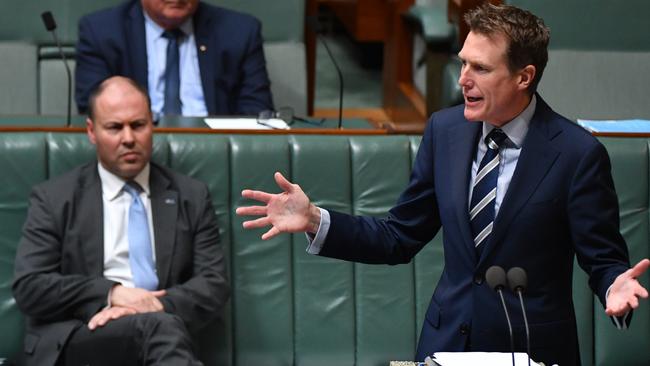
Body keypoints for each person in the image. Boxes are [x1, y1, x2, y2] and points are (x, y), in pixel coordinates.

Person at [236, 4, 649, 366]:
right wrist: (314, 220)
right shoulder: (445, 131)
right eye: (463, 63)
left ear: (524, 77)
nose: (462, 79)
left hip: (533, 348)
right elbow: (399, 237)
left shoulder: (577, 153)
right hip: (448, 342)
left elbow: (603, 259)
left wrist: (615, 283)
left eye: (480, 68)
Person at [13, 76, 229, 366]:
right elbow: (30, 286)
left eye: (138, 125)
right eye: (115, 127)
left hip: (162, 335)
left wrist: (153, 305)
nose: (129, 138)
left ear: (152, 124)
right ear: (91, 131)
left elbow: (213, 284)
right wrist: (113, 295)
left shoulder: (191, 195)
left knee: (158, 326)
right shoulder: (54, 198)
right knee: (159, 327)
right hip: (79, 338)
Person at [75, 0, 273, 118]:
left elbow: (257, 112)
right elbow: (94, 110)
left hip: (216, 151)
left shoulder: (240, 31)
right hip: (136, 151)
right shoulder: (102, 31)